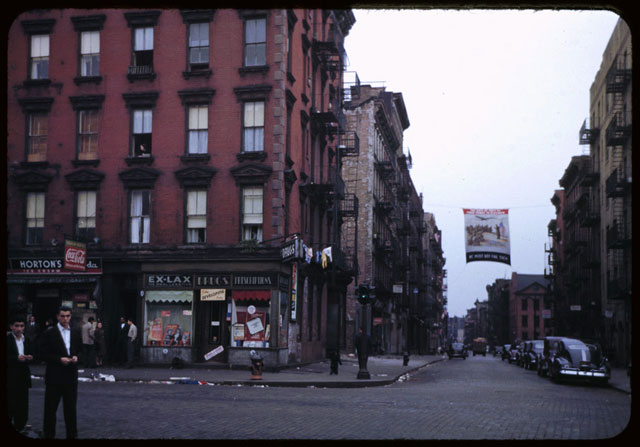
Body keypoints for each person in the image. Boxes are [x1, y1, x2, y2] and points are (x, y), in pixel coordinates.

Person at [39, 306, 82, 439]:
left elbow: (80, 349)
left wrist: (76, 357)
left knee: (70, 410)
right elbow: (42, 353)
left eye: (68, 316)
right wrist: (59, 359)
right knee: (50, 410)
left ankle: (72, 436)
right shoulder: (50, 332)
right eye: (62, 316)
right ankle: (49, 435)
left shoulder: (75, 331)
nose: (65, 319)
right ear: (58, 317)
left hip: (70, 375)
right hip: (54, 376)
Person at [7, 314, 34, 433]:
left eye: (22, 326)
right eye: (16, 326)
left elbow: (33, 353)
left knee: (23, 404)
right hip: (10, 376)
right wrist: (16, 358)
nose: (19, 329)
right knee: (10, 403)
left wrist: (30, 357)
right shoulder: (7, 340)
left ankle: (20, 425)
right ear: (11, 327)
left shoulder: (26, 339)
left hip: (23, 377)